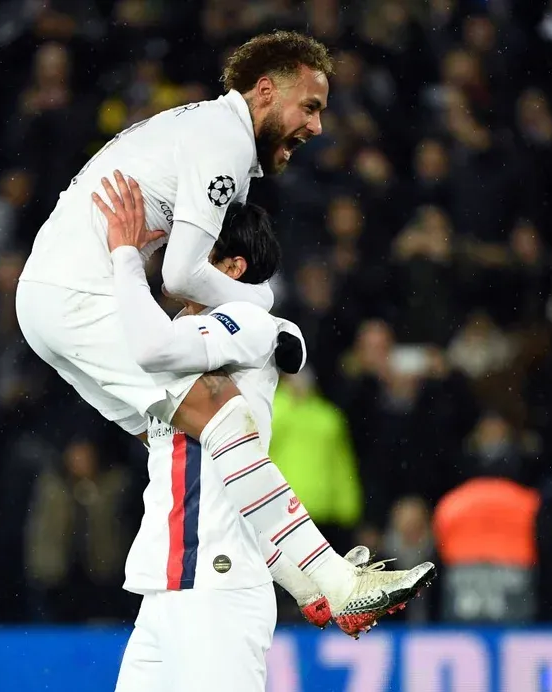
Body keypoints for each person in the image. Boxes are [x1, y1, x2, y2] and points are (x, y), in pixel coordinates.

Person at [16, 32, 429, 641]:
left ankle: (306, 584)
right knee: (220, 408)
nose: (317, 126)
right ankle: (332, 581)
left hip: (53, 298)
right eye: (310, 106)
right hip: (79, 291)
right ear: (264, 91)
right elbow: (183, 273)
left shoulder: (203, 131)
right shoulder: (225, 142)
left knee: (183, 434)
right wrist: (264, 307)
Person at [96, 175, 435, 655]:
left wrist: (125, 256)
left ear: (232, 268)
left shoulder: (246, 321)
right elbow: (225, 479)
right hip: (169, 583)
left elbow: (152, 348)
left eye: (197, 250)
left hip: (217, 586)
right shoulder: (184, 329)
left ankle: (335, 578)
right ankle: (326, 579)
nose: (177, 260)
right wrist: (296, 577)